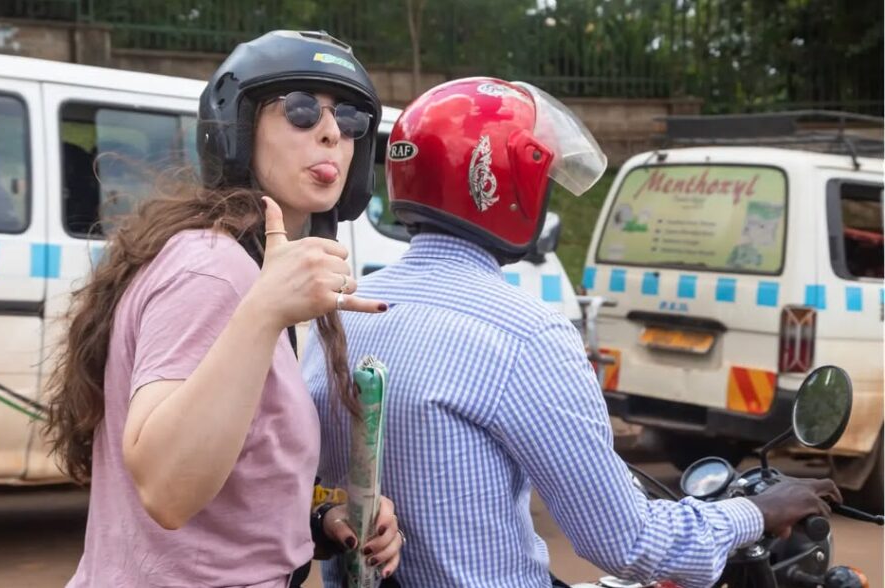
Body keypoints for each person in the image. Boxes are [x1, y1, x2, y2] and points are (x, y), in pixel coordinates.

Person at [303, 77, 842, 588]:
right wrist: (754, 512)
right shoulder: (525, 335)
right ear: (508, 186)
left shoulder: (341, 313)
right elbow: (628, 541)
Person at [45, 31, 404, 587]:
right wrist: (263, 310)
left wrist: (318, 522)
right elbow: (167, 490)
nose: (332, 132)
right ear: (237, 130)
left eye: (350, 118)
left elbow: (224, 486)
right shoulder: (213, 270)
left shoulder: (243, 262)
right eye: (302, 112)